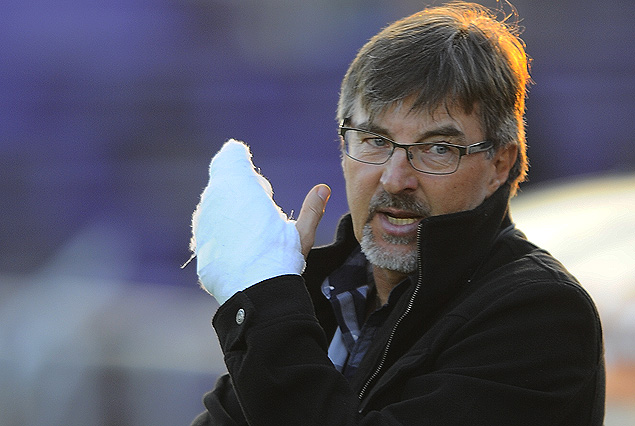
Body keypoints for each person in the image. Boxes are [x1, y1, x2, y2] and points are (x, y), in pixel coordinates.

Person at [188, 2, 605, 425]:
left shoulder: (540, 314)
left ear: (499, 164)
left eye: (438, 148)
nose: (394, 178)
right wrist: (275, 301)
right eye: (375, 140)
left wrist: (263, 302)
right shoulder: (321, 293)